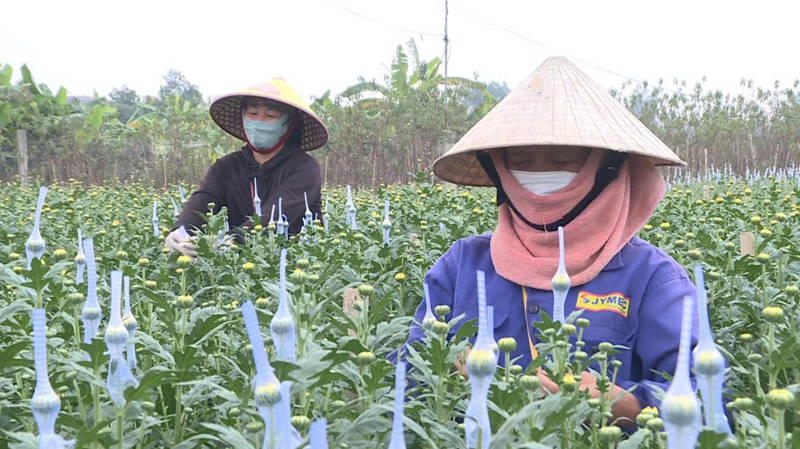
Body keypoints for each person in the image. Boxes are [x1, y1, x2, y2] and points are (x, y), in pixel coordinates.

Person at [404, 57, 699, 425]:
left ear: (608, 166)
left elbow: (707, 402)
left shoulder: (653, 279)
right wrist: (445, 372)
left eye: (563, 159)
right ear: (498, 169)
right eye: (522, 161)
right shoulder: (462, 266)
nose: (541, 176)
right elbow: (405, 381)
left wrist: (623, 404)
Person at [165, 78, 328, 255]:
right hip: (240, 266)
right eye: (252, 113)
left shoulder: (304, 168)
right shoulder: (226, 167)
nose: (260, 120)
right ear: (243, 117)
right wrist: (181, 230)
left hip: (298, 265)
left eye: (271, 115)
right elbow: (202, 201)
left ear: (290, 123)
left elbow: (274, 215)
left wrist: (231, 240)